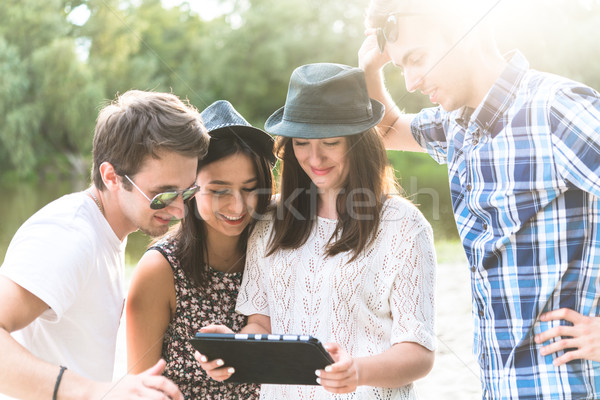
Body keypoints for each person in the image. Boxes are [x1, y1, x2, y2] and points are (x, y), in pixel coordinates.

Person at [358, 0, 600, 398]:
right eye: (402, 67)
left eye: (417, 59)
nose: (412, 82)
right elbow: (387, 130)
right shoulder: (456, 126)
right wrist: (371, 69)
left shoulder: (555, 110)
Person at [197, 63, 437, 400]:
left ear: (360, 142)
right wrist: (237, 349)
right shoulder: (269, 220)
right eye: (301, 143)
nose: (315, 158)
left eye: (331, 142)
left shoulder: (404, 226)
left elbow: (419, 353)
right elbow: (262, 325)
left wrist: (358, 372)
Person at [0, 89, 209, 399]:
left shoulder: (105, 231)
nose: (180, 210)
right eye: (163, 195)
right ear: (112, 176)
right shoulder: (69, 235)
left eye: (187, 192)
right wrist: (96, 392)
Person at [126, 100, 275, 399]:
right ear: (189, 190)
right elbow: (140, 391)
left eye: (249, 188)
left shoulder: (274, 248)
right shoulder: (160, 271)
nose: (237, 205)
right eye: (219, 190)